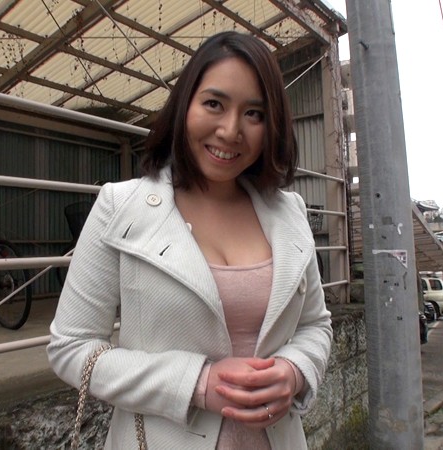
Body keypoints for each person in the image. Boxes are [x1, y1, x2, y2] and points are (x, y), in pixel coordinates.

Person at [47, 31, 333, 450]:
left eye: (254, 113)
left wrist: (295, 371)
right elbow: (71, 348)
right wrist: (196, 384)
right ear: (185, 105)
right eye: (214, 104)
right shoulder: (120, 206)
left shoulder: (289, 212)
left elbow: (315, 325)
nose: (231, 130)